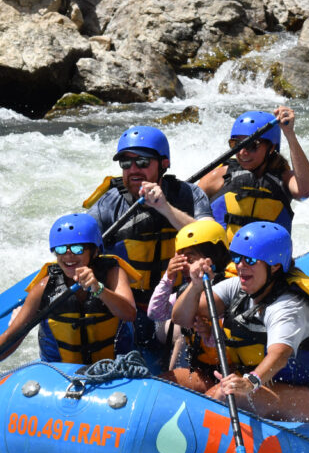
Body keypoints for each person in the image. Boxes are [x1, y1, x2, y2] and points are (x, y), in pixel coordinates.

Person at [172, 221, 309, 424]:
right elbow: (181, 317)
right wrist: (196, 286)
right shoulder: (239, 287)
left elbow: (280, 355)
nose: (240, 266)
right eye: (237, 258)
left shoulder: (289, 306)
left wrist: (251, 382)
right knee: (186, 386)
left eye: (249, 259)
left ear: (275, 266)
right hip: (274, 385)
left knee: (226, 395)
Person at [0, 214, 137, 388]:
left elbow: (129, 313)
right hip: (61, 376)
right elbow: (12, 337)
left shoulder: (112, 274)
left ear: (94, 251)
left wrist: (99, 289)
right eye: (61, 250)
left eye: (78, 249)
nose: (68, 256)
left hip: (111, 371)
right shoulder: (44, 287)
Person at [86, 125, 214, 356]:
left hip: (175, 306)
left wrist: (165, 208)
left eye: (143, 162)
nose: (133, 169)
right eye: (126, 163)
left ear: (164, 164)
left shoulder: (190, 195)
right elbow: (79, 250)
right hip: (127, 308)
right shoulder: (108, 204)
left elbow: (211, 242)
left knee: (184, 334)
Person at [197, 107, 309, 241]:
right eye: (236, 144)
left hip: (266, 261)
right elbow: (188, 205)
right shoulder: (219, 176)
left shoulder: (283, 178)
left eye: (251, 145)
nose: (242, 152)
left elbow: (305, 190)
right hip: (222, 259)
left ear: (271, 148)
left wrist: (289, 134)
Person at [148, 219, 233, 391]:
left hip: (230, 372)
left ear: (213, 255)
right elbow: (155, 313)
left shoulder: (231, 288)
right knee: (161, 383)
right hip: (202, 369)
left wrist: (208, 334)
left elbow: (229, 341)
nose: (184, 265)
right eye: (181, 258)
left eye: (191, 257)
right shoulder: (187, 290)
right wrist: (168, 278)